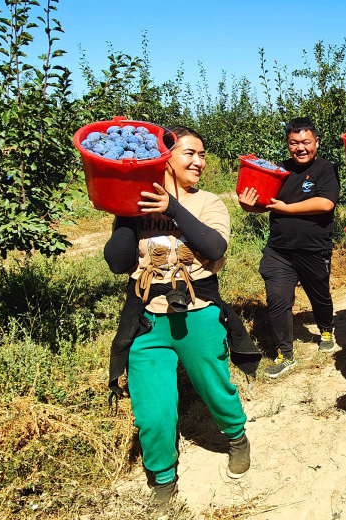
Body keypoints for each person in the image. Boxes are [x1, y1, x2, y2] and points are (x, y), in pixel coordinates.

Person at [103, 126, 253, 515]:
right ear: (163, 158)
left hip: (198, 312)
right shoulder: (137, 208)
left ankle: (236, 437)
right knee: (153, 408)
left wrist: (172, 208)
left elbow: (214, 246)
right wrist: (124, 213)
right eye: (189, 154)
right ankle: (163, 477)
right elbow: (118, 263)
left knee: (216, 389)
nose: (199, 162)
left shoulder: (208, 203)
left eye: (201, 154)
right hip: (148, 321)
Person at [238, 117, 341, 378]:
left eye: (306, 142)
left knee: (319, 295)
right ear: (287, 144)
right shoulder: (279, 171)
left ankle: (326, 327)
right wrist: (248, 204)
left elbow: (325, 203)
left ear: (316, 142)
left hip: (313, 249)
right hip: (279, 250)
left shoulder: (326, 169)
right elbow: (265, 203)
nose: (300, 148)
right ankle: (285, 353)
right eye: (294, 143)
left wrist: (287, 208)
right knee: (277, 299)